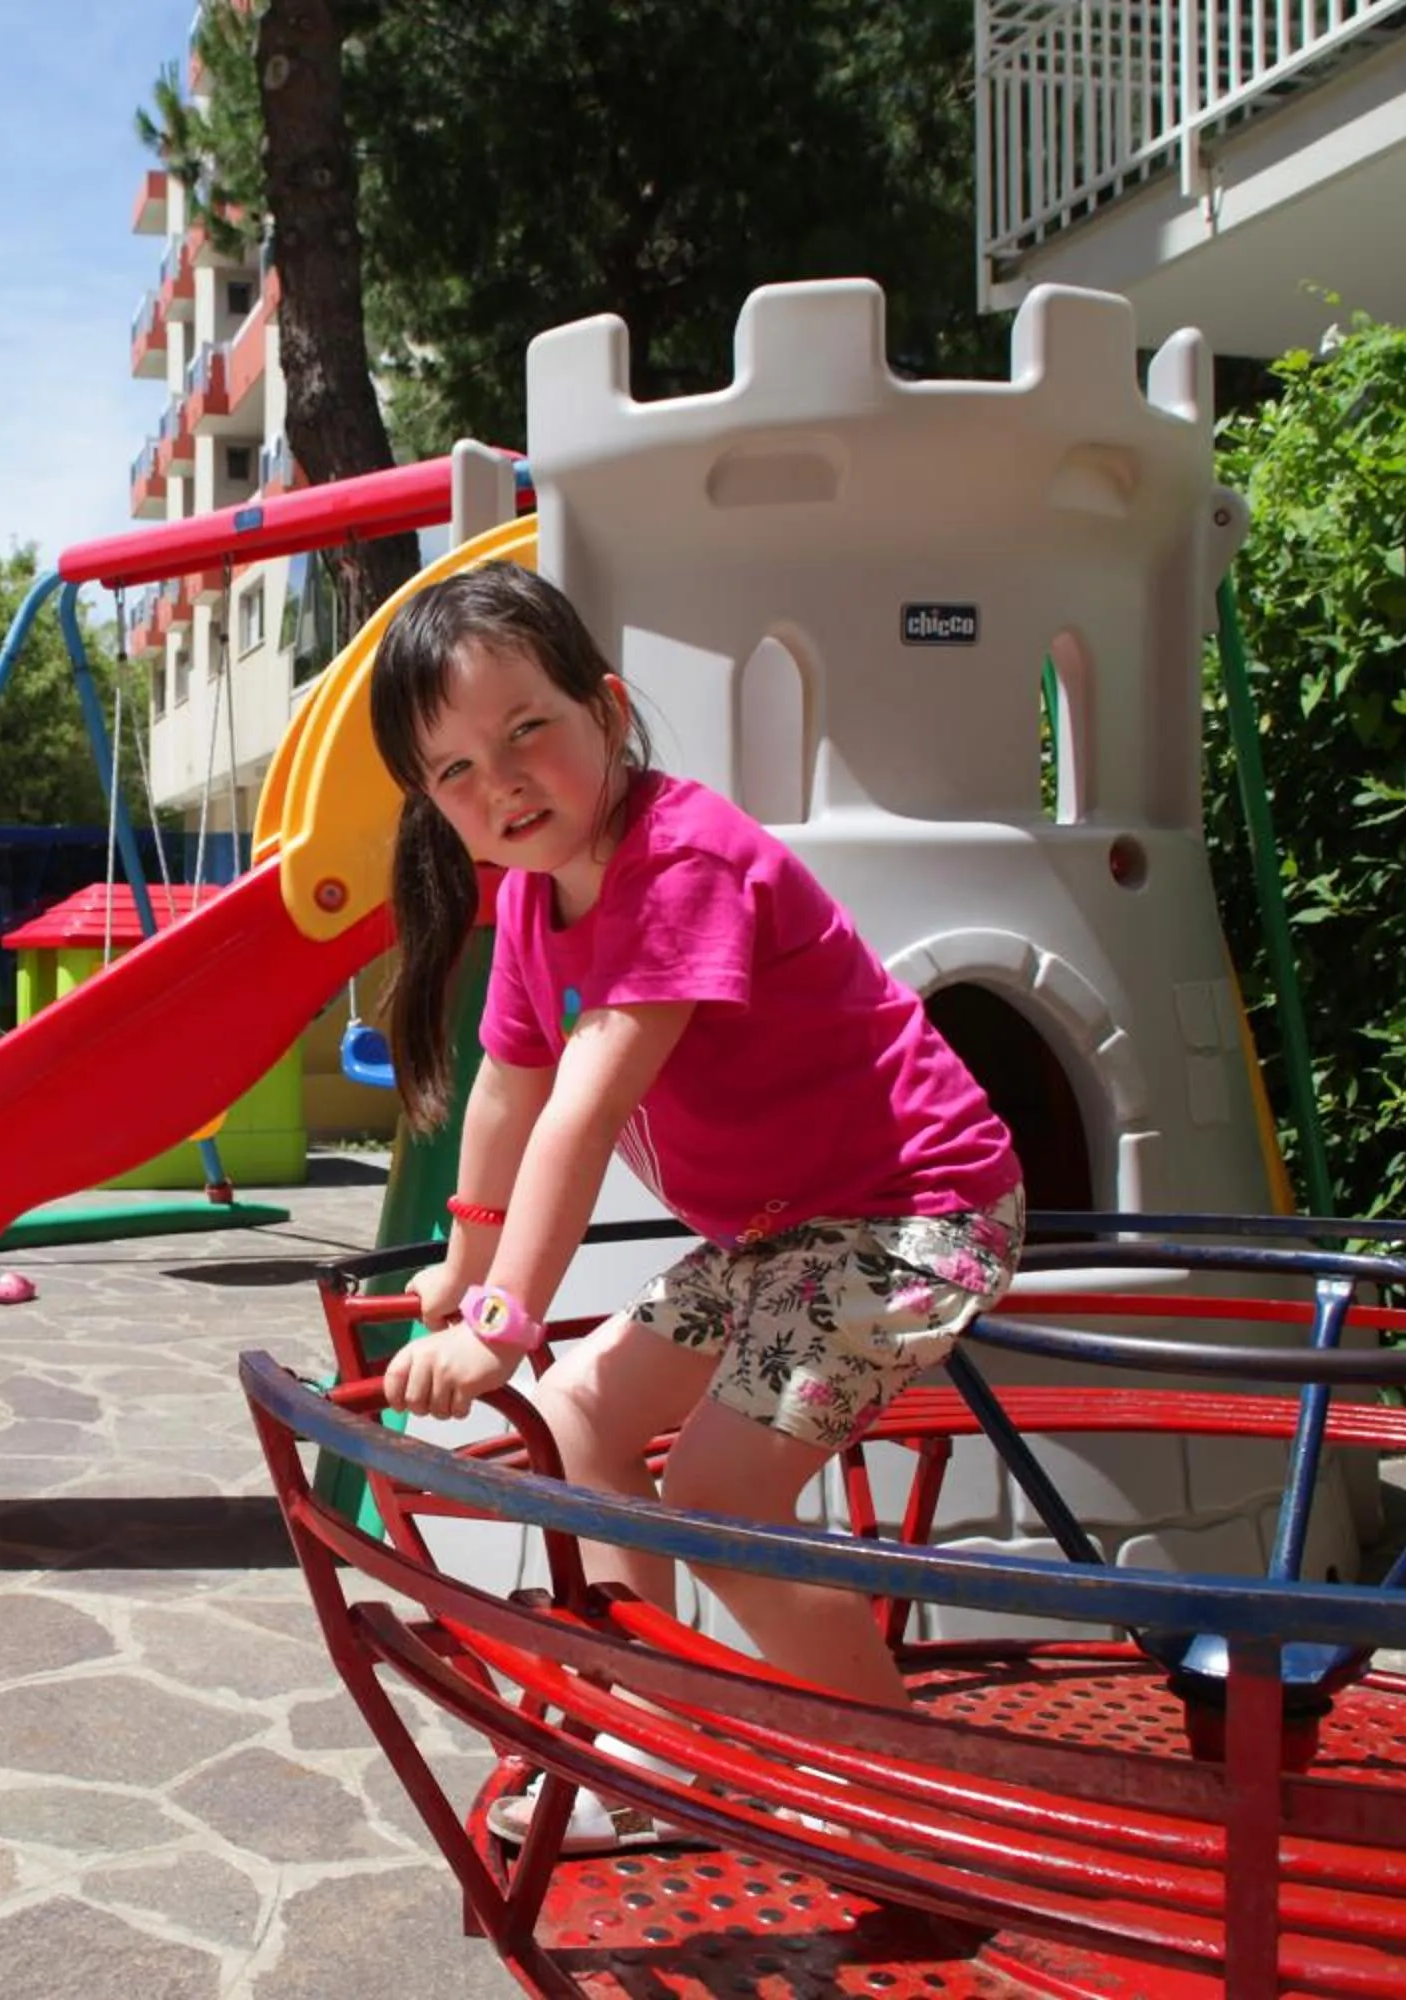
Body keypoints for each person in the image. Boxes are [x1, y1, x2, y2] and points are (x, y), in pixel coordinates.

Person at [368, 561, 1025, 1846]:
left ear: (608, 714)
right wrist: (464, 1257)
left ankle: (907, 1789)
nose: (497, 783)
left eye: (525, 733)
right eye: (452, 772)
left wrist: (501, 1317)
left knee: (721, 1497)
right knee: (575, 1422)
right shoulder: (524, 897)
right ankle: (645, 1735)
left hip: (916, 1213)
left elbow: (587, 1104)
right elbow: (508, 1086)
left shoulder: (680, 859)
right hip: (784, 1233)